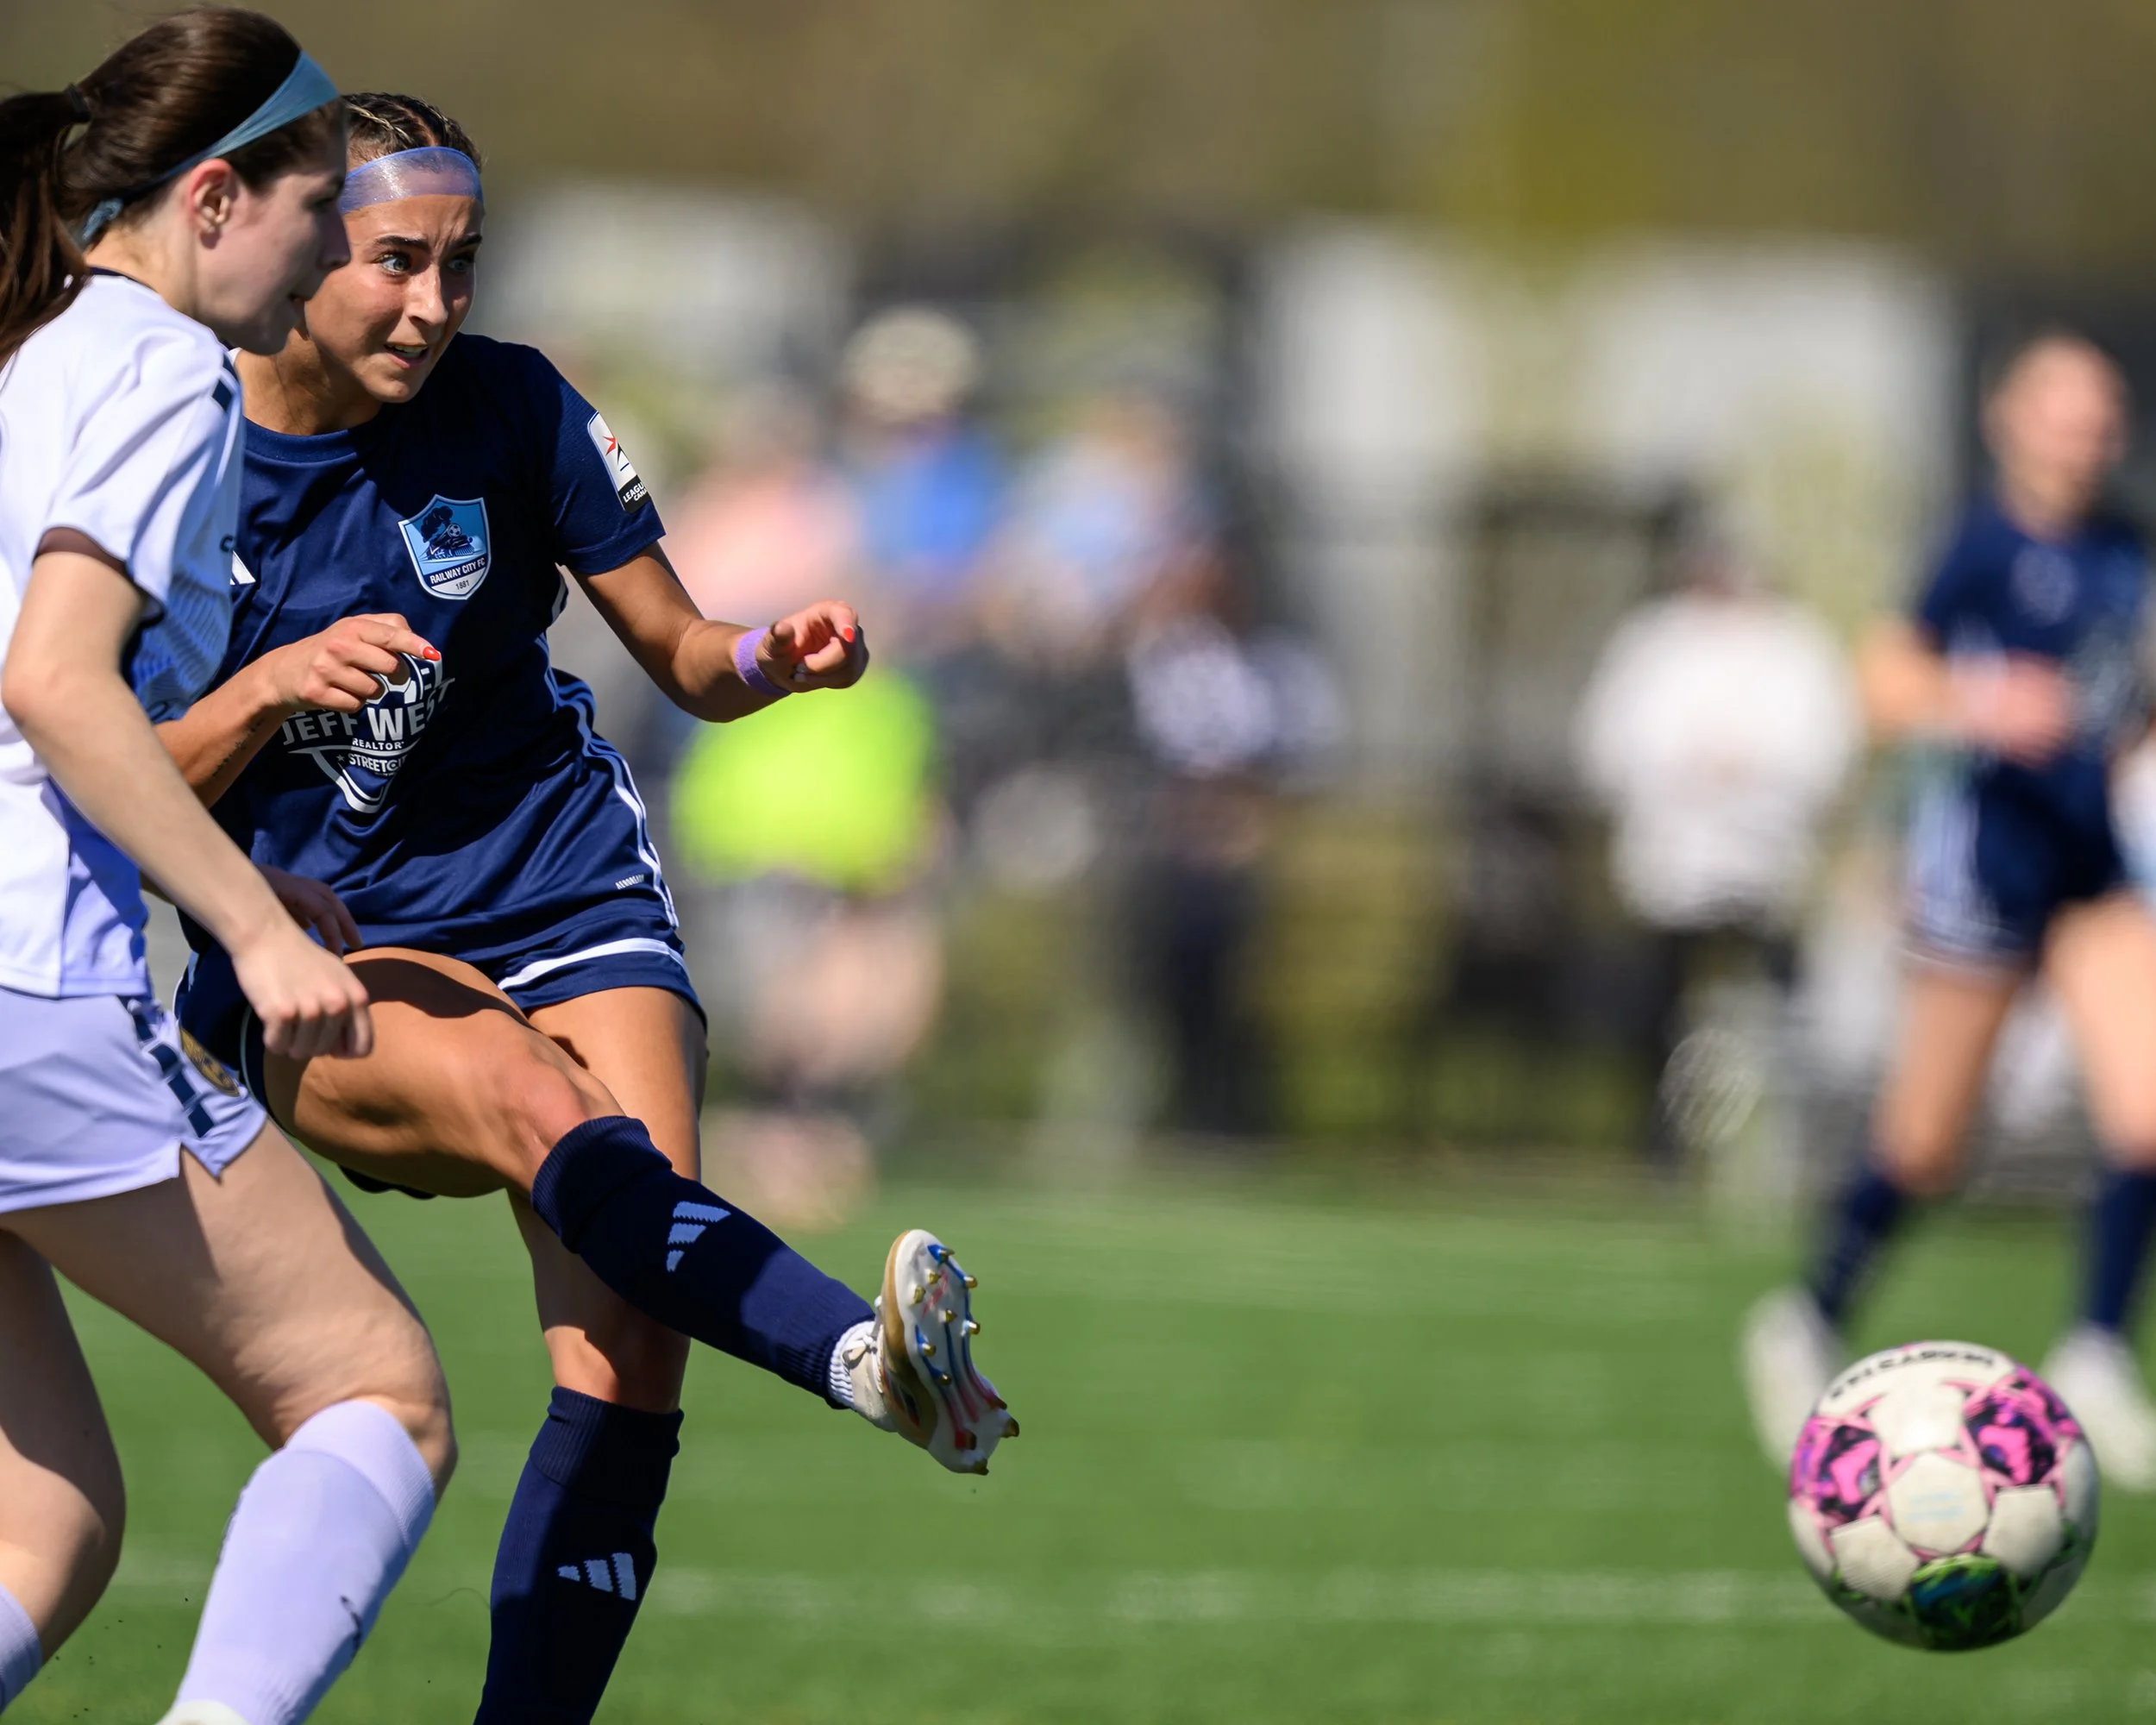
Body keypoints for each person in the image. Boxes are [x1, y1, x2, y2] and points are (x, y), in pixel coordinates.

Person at [156, 94, 1015, 1722]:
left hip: (566, 881)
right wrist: (270, 689)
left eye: (460, 265)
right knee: (529, 1102)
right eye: (396, 261)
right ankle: (863, 1360)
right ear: (296, 244)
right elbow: (102, 764)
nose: (434, 304)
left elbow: (684, 654)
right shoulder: (175, 451)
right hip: (317, 938)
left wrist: (772, 659)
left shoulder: (516, 406)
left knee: (628, 1350)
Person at [0, 16, 457, 1723]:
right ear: (211, 200)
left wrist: (212, 886)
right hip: (26, 980)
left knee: (41, 1520)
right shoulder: (154, 364)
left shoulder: (34, 349)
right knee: (377, 1393)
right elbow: (51, 682)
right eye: (322, 207)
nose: (344, 248)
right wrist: (257, 927)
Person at [1743, 330, 2156, 1489]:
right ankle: (1806, 1314)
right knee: (1926, 1144)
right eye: (2067, 410)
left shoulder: (2126, 549)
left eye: (2105, 410)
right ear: (2009, 420)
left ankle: (2096, 1352)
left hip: (2093, 871)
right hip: (1988, 864)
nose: (2089, 432)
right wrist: (1983, 701)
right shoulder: (1977, 548)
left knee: (2150, 1112)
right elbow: (1879, 681)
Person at [1573, 526, 1857, 1166]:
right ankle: (1664, 1142)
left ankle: (1782, 1149)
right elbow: (1610, 743)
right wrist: (1685, 769)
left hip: (1765, 864)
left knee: (1775, 1012)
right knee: (1664, 1005)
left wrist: (1750, 773)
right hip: (1671, 863)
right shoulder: (1655, 643)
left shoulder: (1795, 647)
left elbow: (1824, 751)